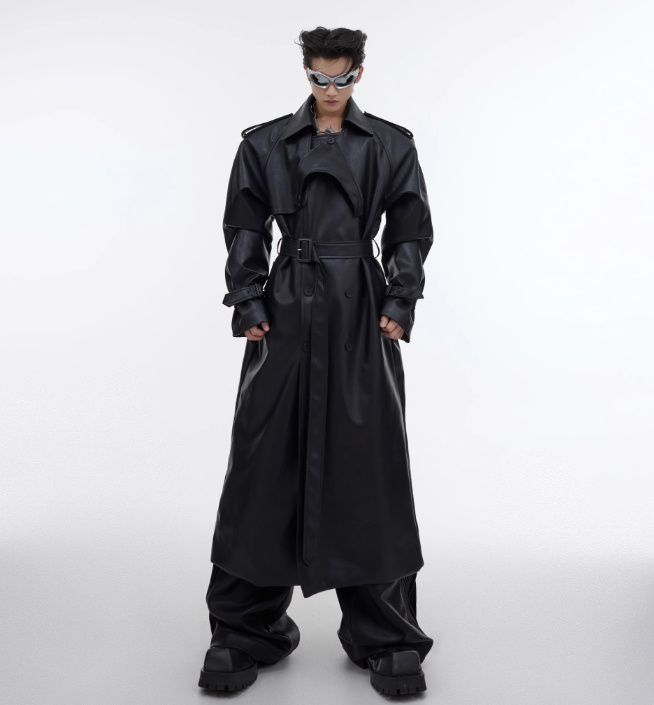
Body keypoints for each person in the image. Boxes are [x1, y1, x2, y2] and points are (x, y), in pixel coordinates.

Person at [198, 26, 435, 696]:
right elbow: (244, 225)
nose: (330, 90)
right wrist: (248, 299)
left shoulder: (391, 144)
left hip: (361, 310)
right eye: (319, 78)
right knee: (262, 464)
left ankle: (385, 634)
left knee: (370, 467)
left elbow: (410, 227)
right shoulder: (264, 143)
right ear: (306, 72)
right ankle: (243, 630)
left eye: (342, 78)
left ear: (359, 73)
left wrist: (401, 298)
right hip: (285, 312)